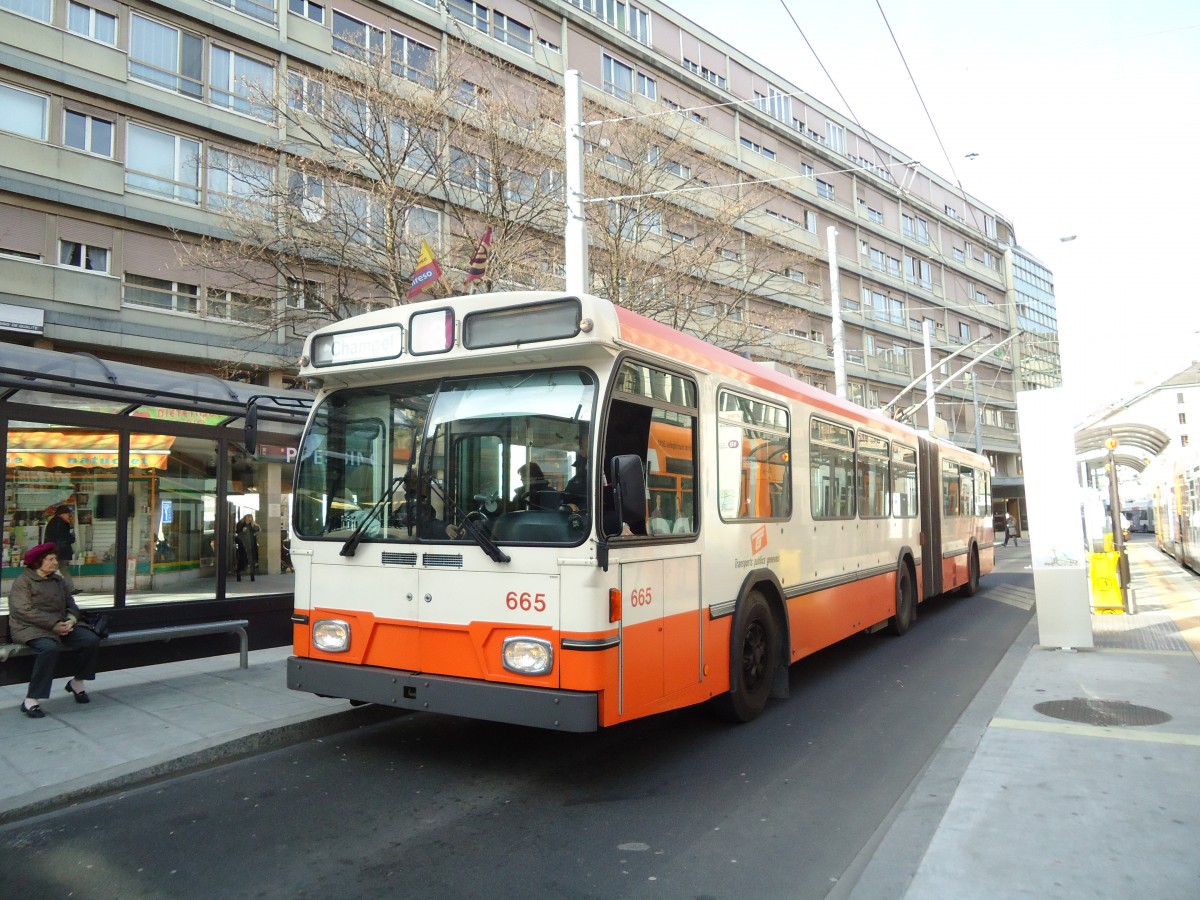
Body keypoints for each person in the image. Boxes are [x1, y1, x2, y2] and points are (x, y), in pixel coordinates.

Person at [8, 542, 101, 719]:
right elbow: (24, 611)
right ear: (37, 562)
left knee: (90, 640)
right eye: (50, 559)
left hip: (61, 625)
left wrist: (71, 620)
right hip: (30, 628)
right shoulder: (23, 582)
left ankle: (77, 682)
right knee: (49, 649)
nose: (55, 562)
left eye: (55, 558)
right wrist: (53, 624)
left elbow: (71, 604)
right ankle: (31, 699)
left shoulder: (58, 580)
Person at [234, 513, 260, 582]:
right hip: (243, 545)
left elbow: (258, 530)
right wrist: (242, 531)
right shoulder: (240, 525)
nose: (248, 519)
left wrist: (256, 532)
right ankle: (239, 574)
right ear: (244, 518)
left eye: (250, 518)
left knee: (252, 561)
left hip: (251, 546)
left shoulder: (254, 526)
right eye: (247, 518)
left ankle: (252, 575)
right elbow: (237, 534)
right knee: (242, 560)